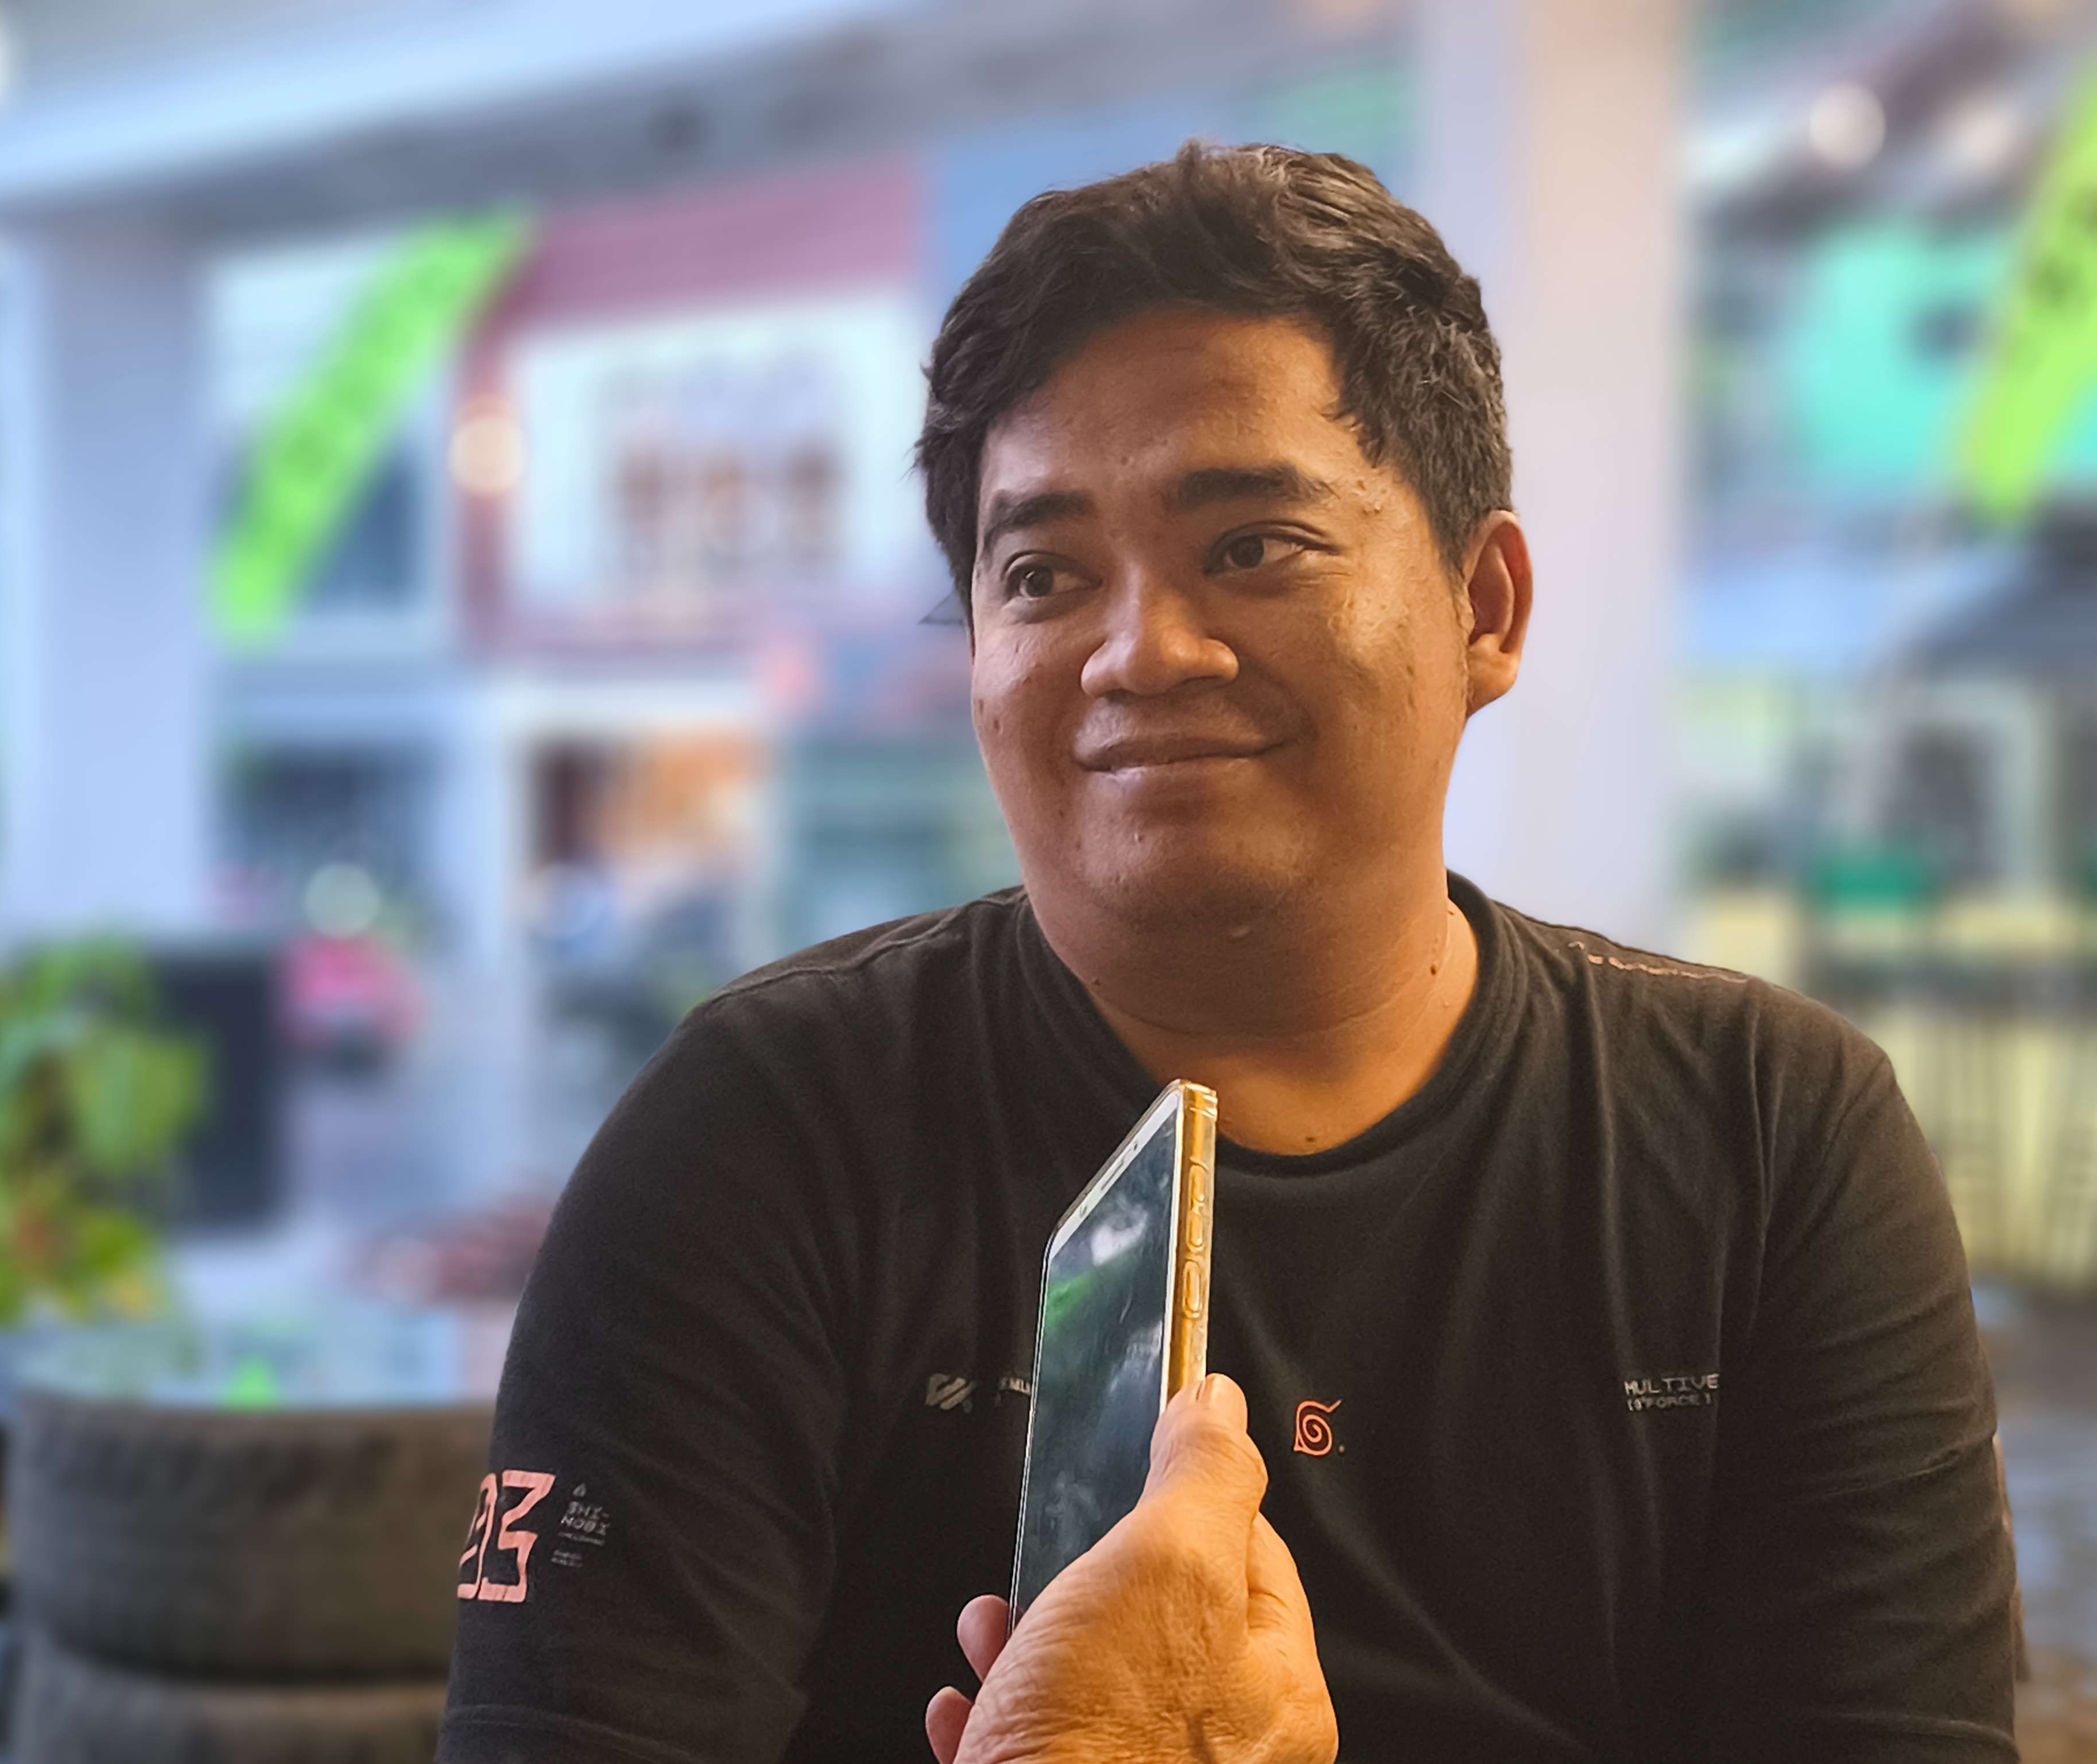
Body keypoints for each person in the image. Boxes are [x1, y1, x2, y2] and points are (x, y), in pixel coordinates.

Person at [439, 144, 2016, 1763]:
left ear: (1485, 604)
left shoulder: (1765, 1135)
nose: (1142, 652)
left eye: (1254, 544)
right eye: (1044, 575)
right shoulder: (763, 1132)